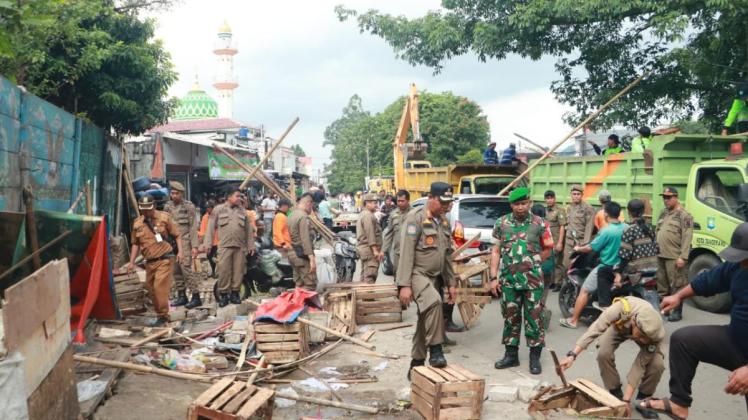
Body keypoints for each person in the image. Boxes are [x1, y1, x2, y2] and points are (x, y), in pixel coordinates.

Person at [640, 223, 748, 419]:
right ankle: (679, 403)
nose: (741, 263)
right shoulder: (739, 267)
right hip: (737, 343)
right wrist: (678, 296)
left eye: (745, 258)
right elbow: (709, 280)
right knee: (684, 340)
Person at [560, 297, 665, 419]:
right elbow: (595, 329)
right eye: (641, 336)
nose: (642, 341)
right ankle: (615, 392)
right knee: (604, 353)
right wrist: (572, 355)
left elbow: (639, 366)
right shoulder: (620, 308)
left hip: (646, 334)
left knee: (657, 364)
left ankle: (643, 399)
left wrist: (627, 401)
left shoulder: (655, 334)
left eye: (645, 338)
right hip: (620, 328)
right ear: (634, 321)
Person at [398, 182, 456, 379]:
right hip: (417, 274)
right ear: (431, 198)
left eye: (449, 203)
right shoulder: (415, 219)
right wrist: (404, 285)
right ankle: (436, 349)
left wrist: (451, 283)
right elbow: (405, 253)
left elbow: (447, 255)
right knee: (434, 302)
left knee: (426, 319)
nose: (446, 207)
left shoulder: (444, 222)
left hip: (435, 278)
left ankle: (416, 363)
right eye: (443, 202)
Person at [490, 187, 549, 375]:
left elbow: (548, 247)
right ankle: (511, 356)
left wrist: (535, 262)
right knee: (511, 318)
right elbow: (496, 251)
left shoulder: (540, 224)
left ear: (529, 203)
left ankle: (534, 358)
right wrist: (493, 278)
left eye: (524, 203)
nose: (521, 207)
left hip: (533, 282)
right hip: (508, 281)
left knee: (534, 319)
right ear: (511, 205)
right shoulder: (501, 223)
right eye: (517, 204)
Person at [560, 202, 627, 328]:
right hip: (622, 268)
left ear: (606, 214)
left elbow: (591, 247)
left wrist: (578, 248)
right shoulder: (626, 227)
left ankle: (573, 321)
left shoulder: (607, 231)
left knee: (584, 291)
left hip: (606, 266)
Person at [127, 196, 182, 326]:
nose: (146, 212)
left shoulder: (164, 217)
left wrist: (181, 252)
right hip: (149, 262)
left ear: (154, 205)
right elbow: (135, 244)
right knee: (151, 289)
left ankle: (163, 315)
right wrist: (131, 262)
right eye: (143, 210)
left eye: (149, 209)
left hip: (165, 259)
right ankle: (160, 315)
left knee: (159, 288)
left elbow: (177, 235)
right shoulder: (137, 223)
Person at [202, 189, 255, 307]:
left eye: (241, 196)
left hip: (240, 247)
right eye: (237, 196)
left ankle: (235, 294)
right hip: (224, 246)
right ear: (229, 197)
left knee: (238, 271)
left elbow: (248, 230)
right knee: (223, 271)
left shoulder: (243, 211)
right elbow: (210, 227)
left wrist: (251, 245)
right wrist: (208, 244)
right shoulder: (218, 209)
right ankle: (224, 295)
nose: (240, 199)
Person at [609, 199, 659, 304]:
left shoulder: (629, 230)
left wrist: (618, 274)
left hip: (637, 273)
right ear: (643, 211)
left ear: (629, 212)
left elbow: (624, 256)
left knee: (611, 282)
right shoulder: (650, 228)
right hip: (653, 270)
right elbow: (657, 249)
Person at [655, 187, 693, 322]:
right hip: (660, 254)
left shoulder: (684, 215)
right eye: (664, 197)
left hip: (674, 256)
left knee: (677, 284)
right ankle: (665, 308)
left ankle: (677, 312)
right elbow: (657, 231)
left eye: (669, 197)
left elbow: (687, 237)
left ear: (676, 197)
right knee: (662, 284)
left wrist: (683, 256)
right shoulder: (663, 213)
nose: (666, 200)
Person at [164, 181, 200, 308]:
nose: (174, 195)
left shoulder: (188, 207)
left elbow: (193, 227)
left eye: (176, 193)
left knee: (186, 269)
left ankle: (196, 296)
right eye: (172, 193)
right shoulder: (167, 207)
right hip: (171, 242)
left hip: (185, 242)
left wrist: (195, 246)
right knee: (176, 270)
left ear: (182, 194)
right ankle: (182, 296)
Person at [288, 193, 317, 291]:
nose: (311, 209)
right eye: (311, 206)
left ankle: (298, 305)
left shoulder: (292, 215)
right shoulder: (303, 217)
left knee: (299, 284)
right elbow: (306, 239)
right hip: (302, 255)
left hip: (292, 253)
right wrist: (311, 258)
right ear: (309, 203)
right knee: (310, 284)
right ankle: (306, 306)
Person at [563, 184, 595, 270]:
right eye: (574, 194)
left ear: (582, 195)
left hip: (580, 242)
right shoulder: (569, 207)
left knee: (579, 267)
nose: (576, 196)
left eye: (578, 194)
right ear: (571, 195)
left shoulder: (588, 208)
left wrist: (584, 244)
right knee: (566, 265)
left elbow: (589, 227)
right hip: (569, 242)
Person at [356, 192, 384, 284]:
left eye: (376, 202)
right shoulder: (368, 215)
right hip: (369, 250)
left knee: (365, 273)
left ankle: (363, 296)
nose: (376, 205)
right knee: (370, 274)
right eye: (374, 202)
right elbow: (370, 234)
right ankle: (368, 297)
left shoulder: (363, 214)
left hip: (365, 249)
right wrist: (375, 250)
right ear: (367, 203)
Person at [382, 190, 410, 276]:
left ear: (408, 200)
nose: (400, 203)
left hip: (411, 252)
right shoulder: (393, 215)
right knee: (398, 276)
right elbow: (389, 234)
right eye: (398, 201)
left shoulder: (415, 214)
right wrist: (384, 250)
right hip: (398, 253)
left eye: (402, 201)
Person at [544, 190, 567, 292]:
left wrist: (560, 242)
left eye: (551, 198)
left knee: (558, 262)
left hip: (557, 239)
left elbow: (562, 226)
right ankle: (552, 282)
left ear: (555, 199)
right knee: (550, 261)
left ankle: (559, 283)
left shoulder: (559, 210)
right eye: (547, 198)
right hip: (548, 240)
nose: (549, 200)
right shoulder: (545, 210)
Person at [198, 200, 218, 277]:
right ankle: (213, 271)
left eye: (209, 208)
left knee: (216, 257)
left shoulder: (217, 216)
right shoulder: (205, 217)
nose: (207, 209)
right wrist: (201, 240)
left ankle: (216, 272)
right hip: (208, 241)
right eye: (207, 208)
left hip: (217, 241)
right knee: (209, 257)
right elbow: (202, 230)